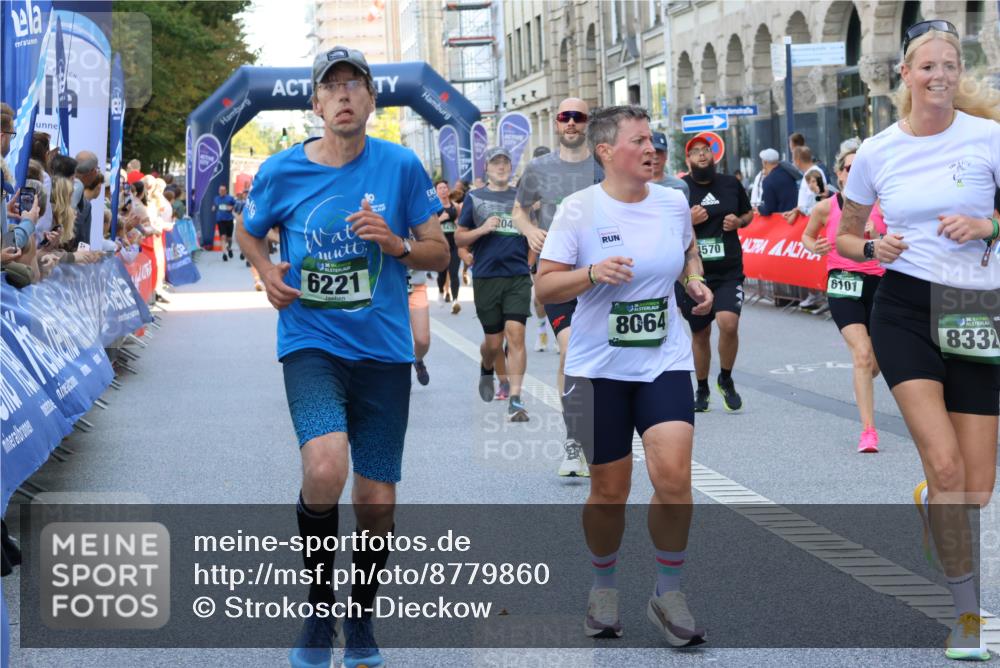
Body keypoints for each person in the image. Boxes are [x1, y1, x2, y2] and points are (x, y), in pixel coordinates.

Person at [235, 45, 449, 668]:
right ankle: (319, 605)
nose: (346, 94)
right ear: (318, 103)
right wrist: (266, 270)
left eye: (356, 84)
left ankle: (360, 618)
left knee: (376, 501)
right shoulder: (281, 171)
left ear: (372, 101)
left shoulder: (401, 166)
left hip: (383, 350)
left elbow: (440, 250)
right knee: (326, 469)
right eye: (334, 87)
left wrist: (399, 246)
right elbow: (250, 228)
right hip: (310, 342)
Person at [835, 19, 1000, 661]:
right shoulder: (876, 150)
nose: (939, 76)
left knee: (976, 488)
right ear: (904, 75)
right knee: (949, 463)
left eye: (950, 66)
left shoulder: (989, 137)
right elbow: (844, 239)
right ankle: (966, 618)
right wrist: (873, 246)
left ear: (961, 73)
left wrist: (986, 225)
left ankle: (933, 500)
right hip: (902, 309)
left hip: (975, 310)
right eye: (926, 66)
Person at [535, 104, 712, 647]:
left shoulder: (673, 202)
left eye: (654, 140)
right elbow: (544, 288)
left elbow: (687, 253)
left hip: (663, 358)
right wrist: (590, 274)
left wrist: (695, 281)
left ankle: (668, 590)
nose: (652, 149)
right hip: (597, 368)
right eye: (639, 141)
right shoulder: (577, 211)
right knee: (609, 492)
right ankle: (604, 586)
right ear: (606, 152)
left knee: (674, 478)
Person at [513, 96, 604, 477]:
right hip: (558, 275)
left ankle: (601, 431)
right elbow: (518, 210)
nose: (570, 123)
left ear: (587, 122)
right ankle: (573, 441)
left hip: (602, 276)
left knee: (601, 362)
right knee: (570, 350)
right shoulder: (538, 168)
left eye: (578, 117)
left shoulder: (603, 164)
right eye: (565, 117)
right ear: (556, 120)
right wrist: (531, 230)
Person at [801, 138, 887, 452]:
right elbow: (807, 237)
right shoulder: (826, 207)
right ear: (839, 175)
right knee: (862, 354)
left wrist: (881, 237)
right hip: (842, 284)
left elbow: (901, 242)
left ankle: (866, 374)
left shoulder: (884, 206)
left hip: (879, 285)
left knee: (875, 362)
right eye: (849, 167)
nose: (855, 172)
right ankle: (868, 432)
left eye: (861, 166)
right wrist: (817, 246)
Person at [677, 134, 753, 412]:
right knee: (700, 332)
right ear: (688, 159)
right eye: (695, 151)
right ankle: (702, 387)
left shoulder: (730, 184)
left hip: (728, 270)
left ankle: (726, 378)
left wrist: (739, 221)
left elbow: (749, 214)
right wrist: (689, 220)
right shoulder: (680, 188)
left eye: (705, 150)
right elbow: (668, 225)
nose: (701, 154)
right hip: (693, 273)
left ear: (713, 155)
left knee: (728, 324)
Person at [456, 146, 532, 422]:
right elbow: (460, 238)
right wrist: (483, 229)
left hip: (517, 276)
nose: (501, 167)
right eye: (495, 163)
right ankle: (487, 367)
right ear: (486, 168)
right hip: (486, 277)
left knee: (516, 336)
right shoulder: (474, 198)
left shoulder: (521, 199)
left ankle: (515, 398)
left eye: (505, 163)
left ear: (510, 167)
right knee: (493, 342)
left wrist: (531, 262)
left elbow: (533, 234)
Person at [433, 178, 461, 311]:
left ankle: (455, 301)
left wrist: (457, 224)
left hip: (454, 244)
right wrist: (440, 219)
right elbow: (430, 226)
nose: (443, 190)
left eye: (445, 188)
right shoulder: (433, 207)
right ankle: (440, 292)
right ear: (436, 191)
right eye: (440, 188)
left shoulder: (455, 206)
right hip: (440, 245)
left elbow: (460, 223)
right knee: (442, 273)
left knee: (454, 273)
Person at [757, 148, 799, 218]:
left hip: (782, 220)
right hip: (795, 217)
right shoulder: (788, 173)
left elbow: (769, 209)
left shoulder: (768, 180)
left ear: (765, 162)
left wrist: (759, 208)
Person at [407, 263, 431, 385]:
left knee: (423, 341)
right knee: (397, 339)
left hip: (414, 283)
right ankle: (402, 375)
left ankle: (417, 360)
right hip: (386, 286)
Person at [650, 131, 690, 199]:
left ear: (666, 155)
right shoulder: (636, 186)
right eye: (652, 152)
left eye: (659, 152)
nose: (655, 156)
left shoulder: (680, 186)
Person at [212, 184, 237, 260]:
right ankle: (224, 254)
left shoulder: (230, 198)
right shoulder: (216, 198)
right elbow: (214, 206)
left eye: (223, 190)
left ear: (226, 191)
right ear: (219, 191)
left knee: (229, 238)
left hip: (229, 220)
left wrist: (232, 207)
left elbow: (236, 205)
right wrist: (213, 208)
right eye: (220, 190)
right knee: (223, 237)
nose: (221, 192)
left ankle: (229, 248)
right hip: (220, 220)